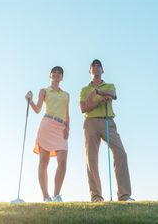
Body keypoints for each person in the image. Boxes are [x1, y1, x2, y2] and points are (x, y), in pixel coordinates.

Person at [79, 59, 134, 202]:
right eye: (93, 66)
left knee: (121, 153)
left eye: (99, 66)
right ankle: (96, 196)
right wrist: (99, 100)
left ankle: (124, 195)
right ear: (90, 71)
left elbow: (113, 94)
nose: (96, 68)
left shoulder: (109, 85)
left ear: (102, 70)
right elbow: (84, 108)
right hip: (90, 123)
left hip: (108, 122)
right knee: (91, 159)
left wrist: (97, 91)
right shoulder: (84, 90)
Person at [25, 66, 70, 202]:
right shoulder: (44, 91)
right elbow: (38, 109)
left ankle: (57, 195)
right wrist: (30, 101)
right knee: (44, 162)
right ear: (50, 76)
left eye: (59, 73)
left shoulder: (66, 95)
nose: (56, 75)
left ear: (62, 77)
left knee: (62, 162)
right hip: (47, 125)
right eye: (54, 73)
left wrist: (68, 128)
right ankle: (46, 196)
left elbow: (67, 114)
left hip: (61, 127)